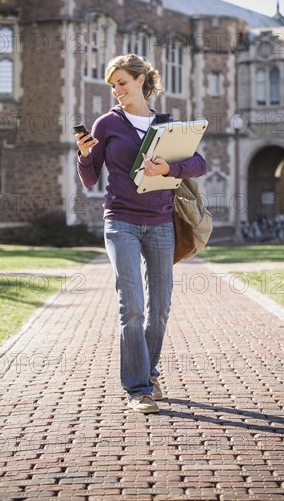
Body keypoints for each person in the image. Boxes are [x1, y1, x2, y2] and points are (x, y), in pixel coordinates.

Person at [76, 54, 206, 413]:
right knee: (131, 305)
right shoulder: (106, 125)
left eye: (122, 82)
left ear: (142, 81)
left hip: (162, 221)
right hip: (120, 222)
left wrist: (171, 166)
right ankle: (137, 389)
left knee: (160, 307)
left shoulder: (165, 124)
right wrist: (85, 156)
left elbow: (200, 163)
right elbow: (90, 177)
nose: (117, 90)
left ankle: (147, 371)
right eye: (113, 85)